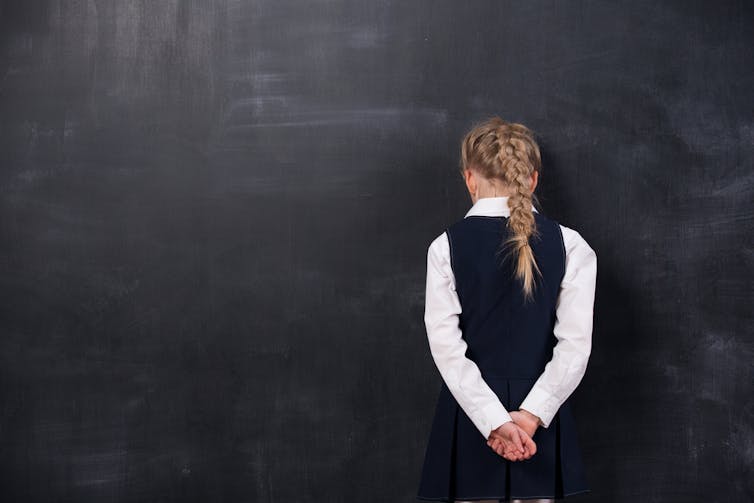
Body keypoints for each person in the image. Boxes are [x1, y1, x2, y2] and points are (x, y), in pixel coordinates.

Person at [416, 117, 597, 502]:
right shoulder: (572, 246)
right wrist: (529, 417)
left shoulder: (444, 247)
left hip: (469, 420)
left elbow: (447, 350)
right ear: (532, 180)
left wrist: (494, 421)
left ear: (470, 179)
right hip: (541, 425)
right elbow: (574, 349)